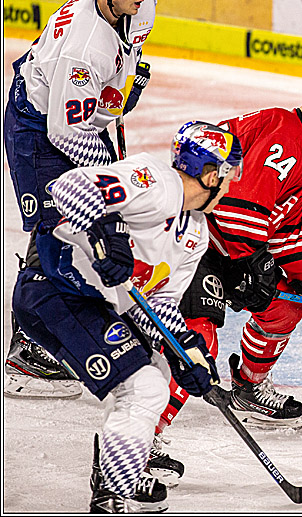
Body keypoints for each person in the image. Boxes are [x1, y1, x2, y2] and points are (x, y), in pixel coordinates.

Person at [11, 121, 241, 512]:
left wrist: (184, 349)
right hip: (54, 287)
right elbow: (65, 187)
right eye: (229, 174)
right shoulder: (153, 180)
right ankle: (112, 495)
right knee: (142, 387)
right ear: (209, 174)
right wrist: (108, 233)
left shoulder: (195, 234)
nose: (230, 186)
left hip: (91, 302)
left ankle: (120, 472)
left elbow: (158, 302)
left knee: (160, 371)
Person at [153, 70, 302, 476]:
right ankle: (141, 440)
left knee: (285, 309)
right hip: (194, 240)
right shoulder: (284, 133)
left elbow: (289, 227)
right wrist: (252, 267)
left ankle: (249, 387)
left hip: (229, 250)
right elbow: (237, 210)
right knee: (196, 341)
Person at [4, 0, 158, 400]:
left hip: (72, 113)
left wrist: (118, 96)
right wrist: (109, 179)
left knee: (77, 220)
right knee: (57, 222)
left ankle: (49, 317)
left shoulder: (138, 8)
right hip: (36, 128)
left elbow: (119, 67)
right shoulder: (84, 46)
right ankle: (28, 346)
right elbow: (64, 134)